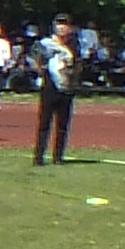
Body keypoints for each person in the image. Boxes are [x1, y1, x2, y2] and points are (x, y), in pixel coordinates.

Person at [30, 16, 82, 167]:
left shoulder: (74, 45)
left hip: (66, 88)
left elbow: (78, 64)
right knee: (44, 123)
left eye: (65, 25)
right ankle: (38, 156)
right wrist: (41, 68)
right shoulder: (46, 43)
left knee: (62, 124)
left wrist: (71, 72)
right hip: (49, 86)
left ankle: (58, 156)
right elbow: (35, 58)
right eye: (59, 24)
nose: (62, 28)